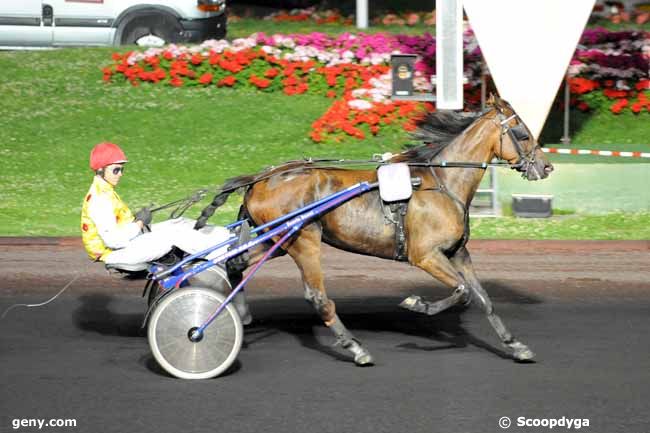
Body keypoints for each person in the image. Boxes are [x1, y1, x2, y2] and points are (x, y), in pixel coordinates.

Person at [80, 142, 251, 323]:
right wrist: (138, 224)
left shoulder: (105, 191)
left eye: (122, 170)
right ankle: (224, 251)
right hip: (117, 253)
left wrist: (136, 220)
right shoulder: (99, 198)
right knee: (174, 235)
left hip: (129, 242)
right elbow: (113, 240)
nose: (120, 174)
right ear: (101, 171)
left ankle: (227, 236)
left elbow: (119, 226)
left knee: (177, 222)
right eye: (116, 170)